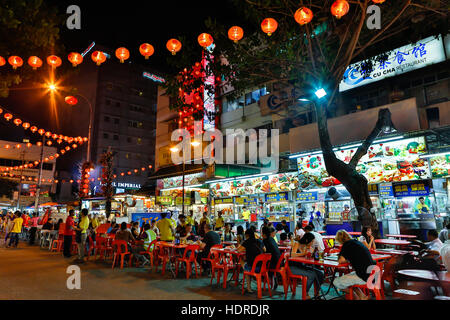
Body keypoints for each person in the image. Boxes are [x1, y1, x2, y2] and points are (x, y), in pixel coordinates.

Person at [334, 230, 375, 300]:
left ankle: (356, 297)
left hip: (364, 276)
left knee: (336, 282)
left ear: (339, 240)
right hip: (372, 273)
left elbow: (341, 260)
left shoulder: (346, 245)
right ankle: (362, 296)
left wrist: (346, 258)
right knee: (349, 278)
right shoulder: (357, 242)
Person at [289, 232, 325, 299]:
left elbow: (306, 257)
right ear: (306, 240)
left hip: (301, 266)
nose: (312, 243)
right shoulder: (297, 243)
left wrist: (311, 254)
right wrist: (303, 253)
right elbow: (292, 254)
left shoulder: (306, 246)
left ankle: (317, 292)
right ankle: (305, 293)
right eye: (311, 241)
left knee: (320, 273)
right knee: (311, 275)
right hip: (292, 267)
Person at [237, 229, 265, 293]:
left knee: (241, 260)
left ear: (246, 235)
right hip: (262, 267)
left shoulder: (247, 242)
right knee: (249, 263)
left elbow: (239, 250)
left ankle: (249, 288)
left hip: (253, 268)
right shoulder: (259, 241)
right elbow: (265, 250)